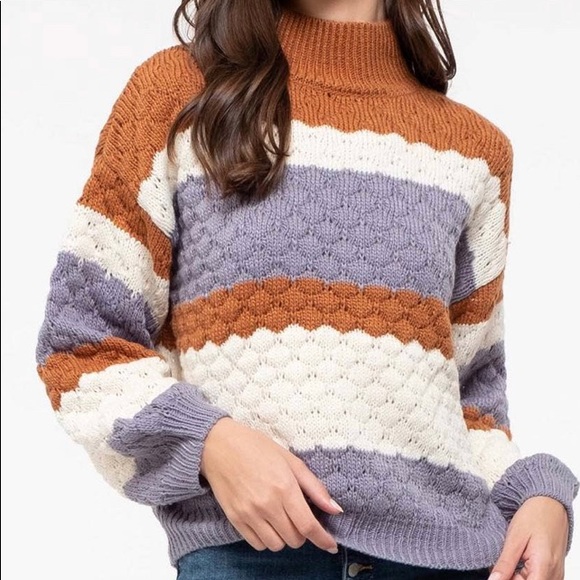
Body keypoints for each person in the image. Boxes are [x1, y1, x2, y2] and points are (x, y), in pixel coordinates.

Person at [35, 0, 579, 579]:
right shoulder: (178, 97)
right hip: (249, 559)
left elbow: (472, 407)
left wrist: (537, 499)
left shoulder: (472, 151)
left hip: (450, 561)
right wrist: (210, 441)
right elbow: (82, 347)